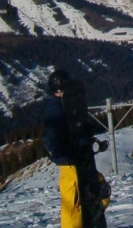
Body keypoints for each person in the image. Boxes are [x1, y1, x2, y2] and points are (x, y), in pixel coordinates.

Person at [44, 69, 83, 228]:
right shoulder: (55, 109)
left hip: (76, 158)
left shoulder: (65, 105)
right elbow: (53, 142)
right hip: (69, 162)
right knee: (72, 202)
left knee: (96, 190)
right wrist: (66, 154)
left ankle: (90, 219)